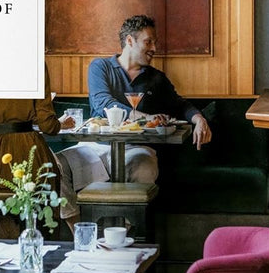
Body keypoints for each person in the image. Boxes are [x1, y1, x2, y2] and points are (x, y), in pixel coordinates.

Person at [56, 15, 211, 224]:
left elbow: (180, 104)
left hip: (136, 148)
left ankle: (122, 237)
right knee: (57, 164)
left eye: (155, 42)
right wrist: (145, 118)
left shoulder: (156, 79)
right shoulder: (100, 67)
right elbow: (103, 103)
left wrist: (199, 119)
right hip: (96, 146)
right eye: (149, 41)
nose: (154, 47)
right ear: (130, 41)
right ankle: (81, 236)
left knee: (145, 169)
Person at [0, 66, 75, 235]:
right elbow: (48, 126)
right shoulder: (33, 64)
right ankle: (40, 245)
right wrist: (58, 124)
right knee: (45, 185)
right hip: (27, 154)